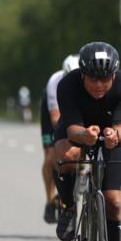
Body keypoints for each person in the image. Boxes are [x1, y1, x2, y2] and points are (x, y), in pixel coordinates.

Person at [53, 42, 121, 241]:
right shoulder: (67, 85)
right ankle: (68, 205)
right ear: (82, 75)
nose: (99, 85)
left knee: (114, 201)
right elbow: (71, 130)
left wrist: (115, 134)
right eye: (93, 79)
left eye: (105, 79)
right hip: (77, 130)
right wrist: (85, 136)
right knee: (67, 156)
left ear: (114, 75)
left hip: (111, 137)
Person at [39, 54, 80, 223]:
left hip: (76, 116)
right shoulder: (55, 82)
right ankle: (49, 201)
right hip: (54, 118)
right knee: (51, 157)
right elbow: (56, 119)